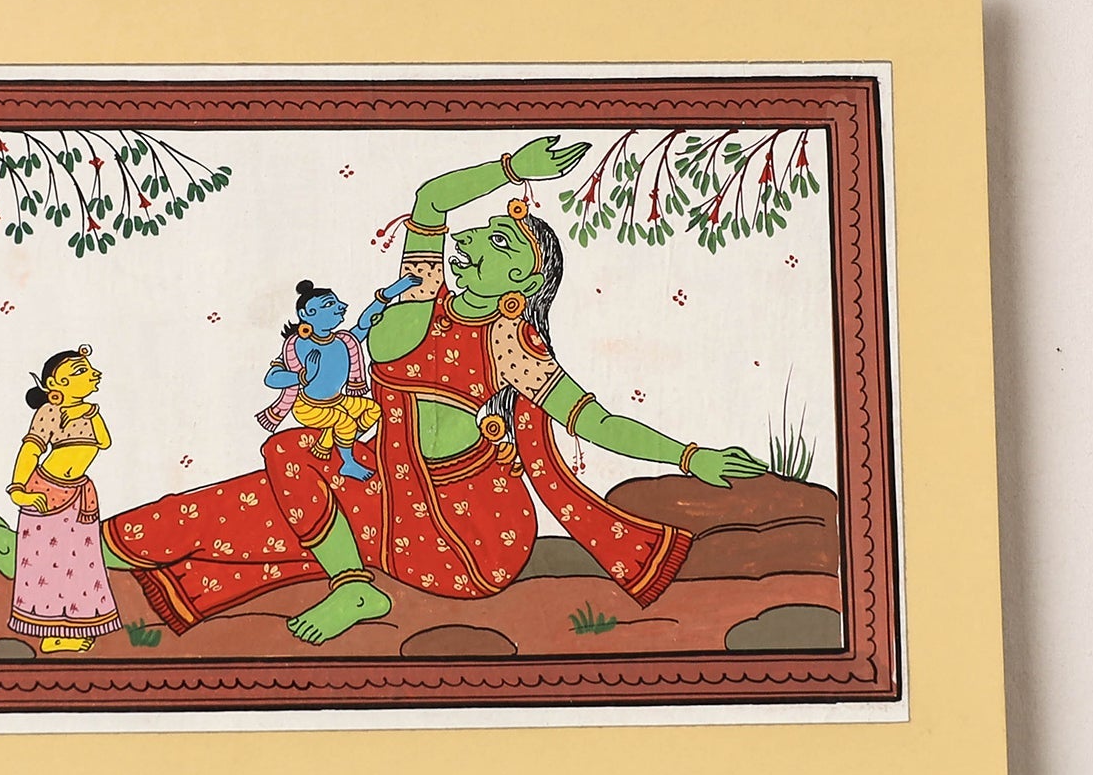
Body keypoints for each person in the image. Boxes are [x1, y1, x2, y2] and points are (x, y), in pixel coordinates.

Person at [102, 137, 766, 643]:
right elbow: (431, 202)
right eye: (482, 230)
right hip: (382, 493)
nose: (470, 238)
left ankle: (354, 586)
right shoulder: (422, 295)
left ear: (523, 282)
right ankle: (76, 550)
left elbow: (594, 422)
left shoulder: (508, 345)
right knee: (219, 510)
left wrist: (690, 457)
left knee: (285, 460)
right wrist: (511, 169)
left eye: (500, 241)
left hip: (465, 534)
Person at [0, 345, 122, 653]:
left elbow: (104, 442)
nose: (94, 374)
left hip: (78, 494)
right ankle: (50, 635)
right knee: (46, 564)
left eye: (91, 369)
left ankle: (75, 626)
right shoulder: (50, 412)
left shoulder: (90, 413)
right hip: (46, 493)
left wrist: (91, 414)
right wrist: (19, 488)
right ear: (56, 384)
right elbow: (31, 450)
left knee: (80, 562)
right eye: (81, 371)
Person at [258, 276, 418, 481]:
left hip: (337, 401)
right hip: (309, 407)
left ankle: (336, 442)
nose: (342, 307)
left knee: (373, 410)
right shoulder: (296, 346)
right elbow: (271, 378)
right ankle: (348, 463)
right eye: (329, 305)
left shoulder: (344, 341)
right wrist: (302, 376)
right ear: (307, 314)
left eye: (337, 302)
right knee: (345, 422)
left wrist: (390, 293)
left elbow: (364, 324)